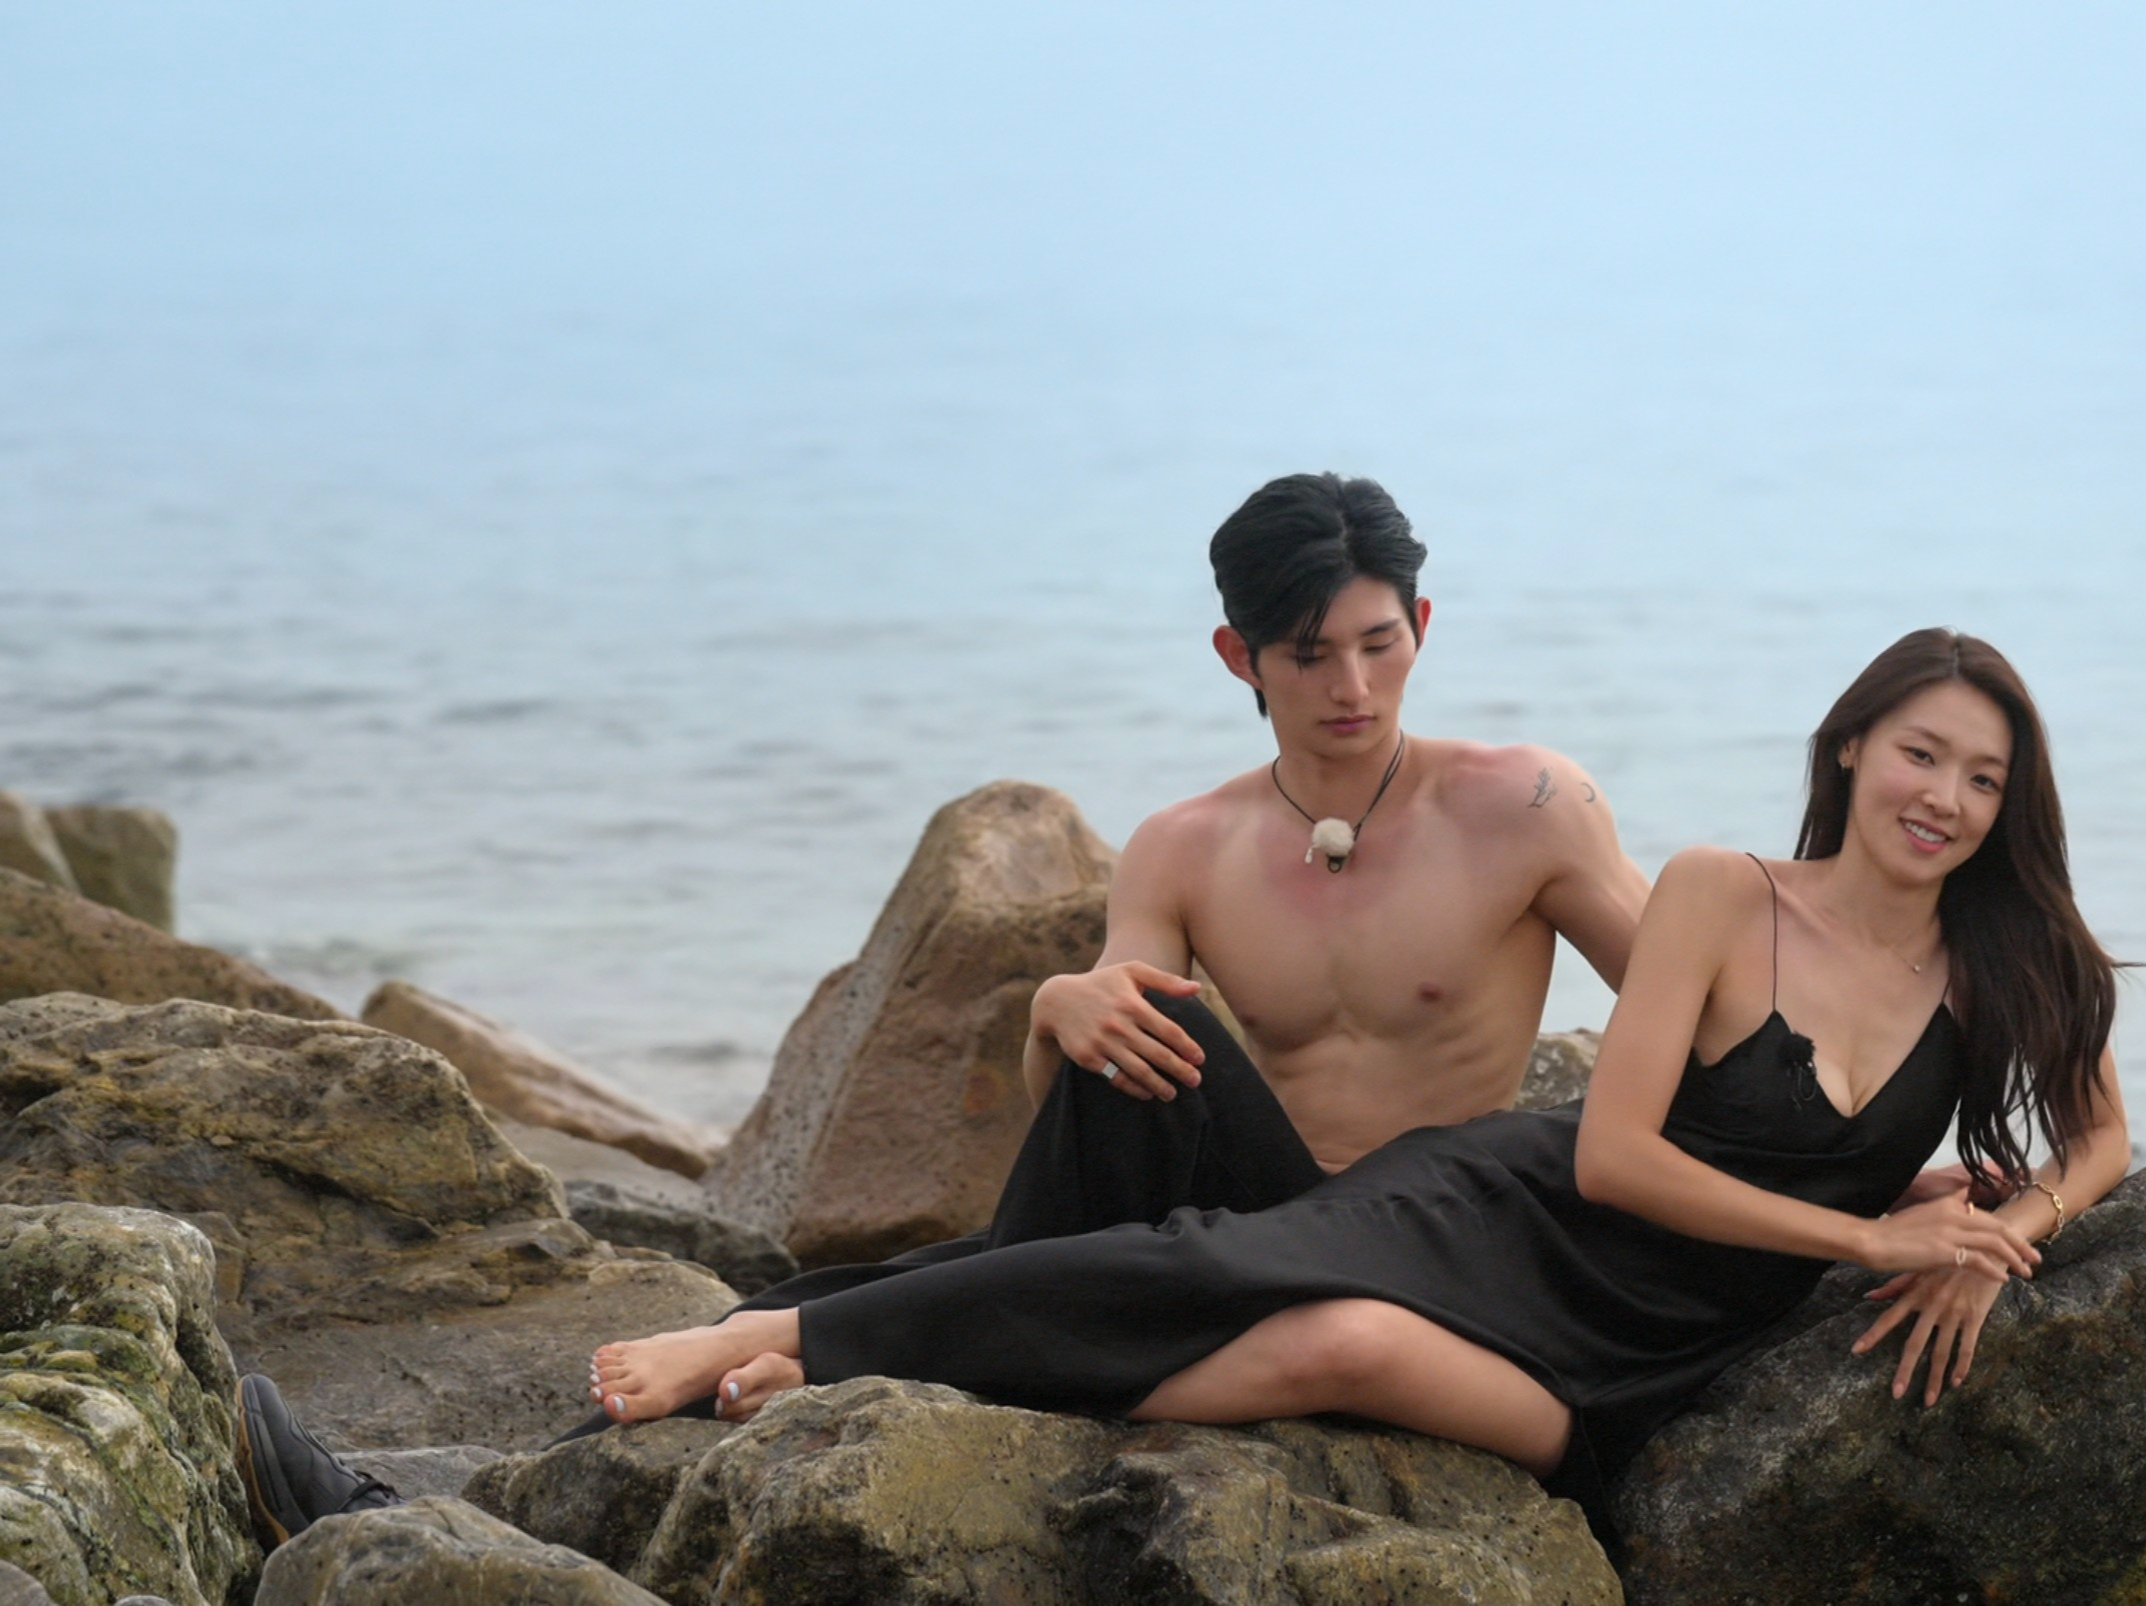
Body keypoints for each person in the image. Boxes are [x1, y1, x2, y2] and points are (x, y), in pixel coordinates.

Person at [232, 469, 1653, 1544]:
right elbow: (1089, 1134)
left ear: (1422, 626)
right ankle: (415, 1518)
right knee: (1115, 1036)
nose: (1352, 685)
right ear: (1239, 657)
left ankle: (754, 1366)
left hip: (1407, 1244)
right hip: (1220, 1226)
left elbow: (1703, 1018)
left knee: (856, 1306)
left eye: (1379, 644)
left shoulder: (1525, 805)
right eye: (1309, 654)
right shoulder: (1186, 846)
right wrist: (1056, 1009)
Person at [576, 627, 2134, 1538]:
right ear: (1852, 747)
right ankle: (796, 1335)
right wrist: (1875, 1234)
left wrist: (2004, 1232)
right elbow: (1613, 1154)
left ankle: (898, 1349)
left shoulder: (2008, 959)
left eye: (1983, 777)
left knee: (1332, 1343)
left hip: (1658, 1347)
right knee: (1217, 1267)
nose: (1945, 797)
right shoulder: (1725, 894)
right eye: (1922, 754)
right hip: (1511, 1209)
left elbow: (2105, 1137)